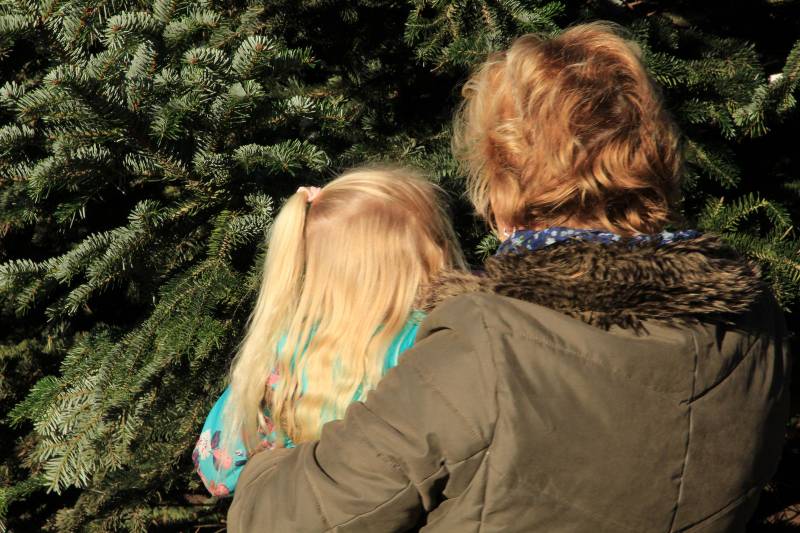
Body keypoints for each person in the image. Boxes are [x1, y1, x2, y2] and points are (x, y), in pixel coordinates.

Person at [227, 22, 792, 532]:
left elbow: (291, 517)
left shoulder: (487, 342)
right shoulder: (750, 321)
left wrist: (265, 462)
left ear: (501, 183)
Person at [192, 166, 465, 496]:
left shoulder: (287, 349)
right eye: (435, 241)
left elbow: (216, 470)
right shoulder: (429, 339)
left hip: (306, 509)